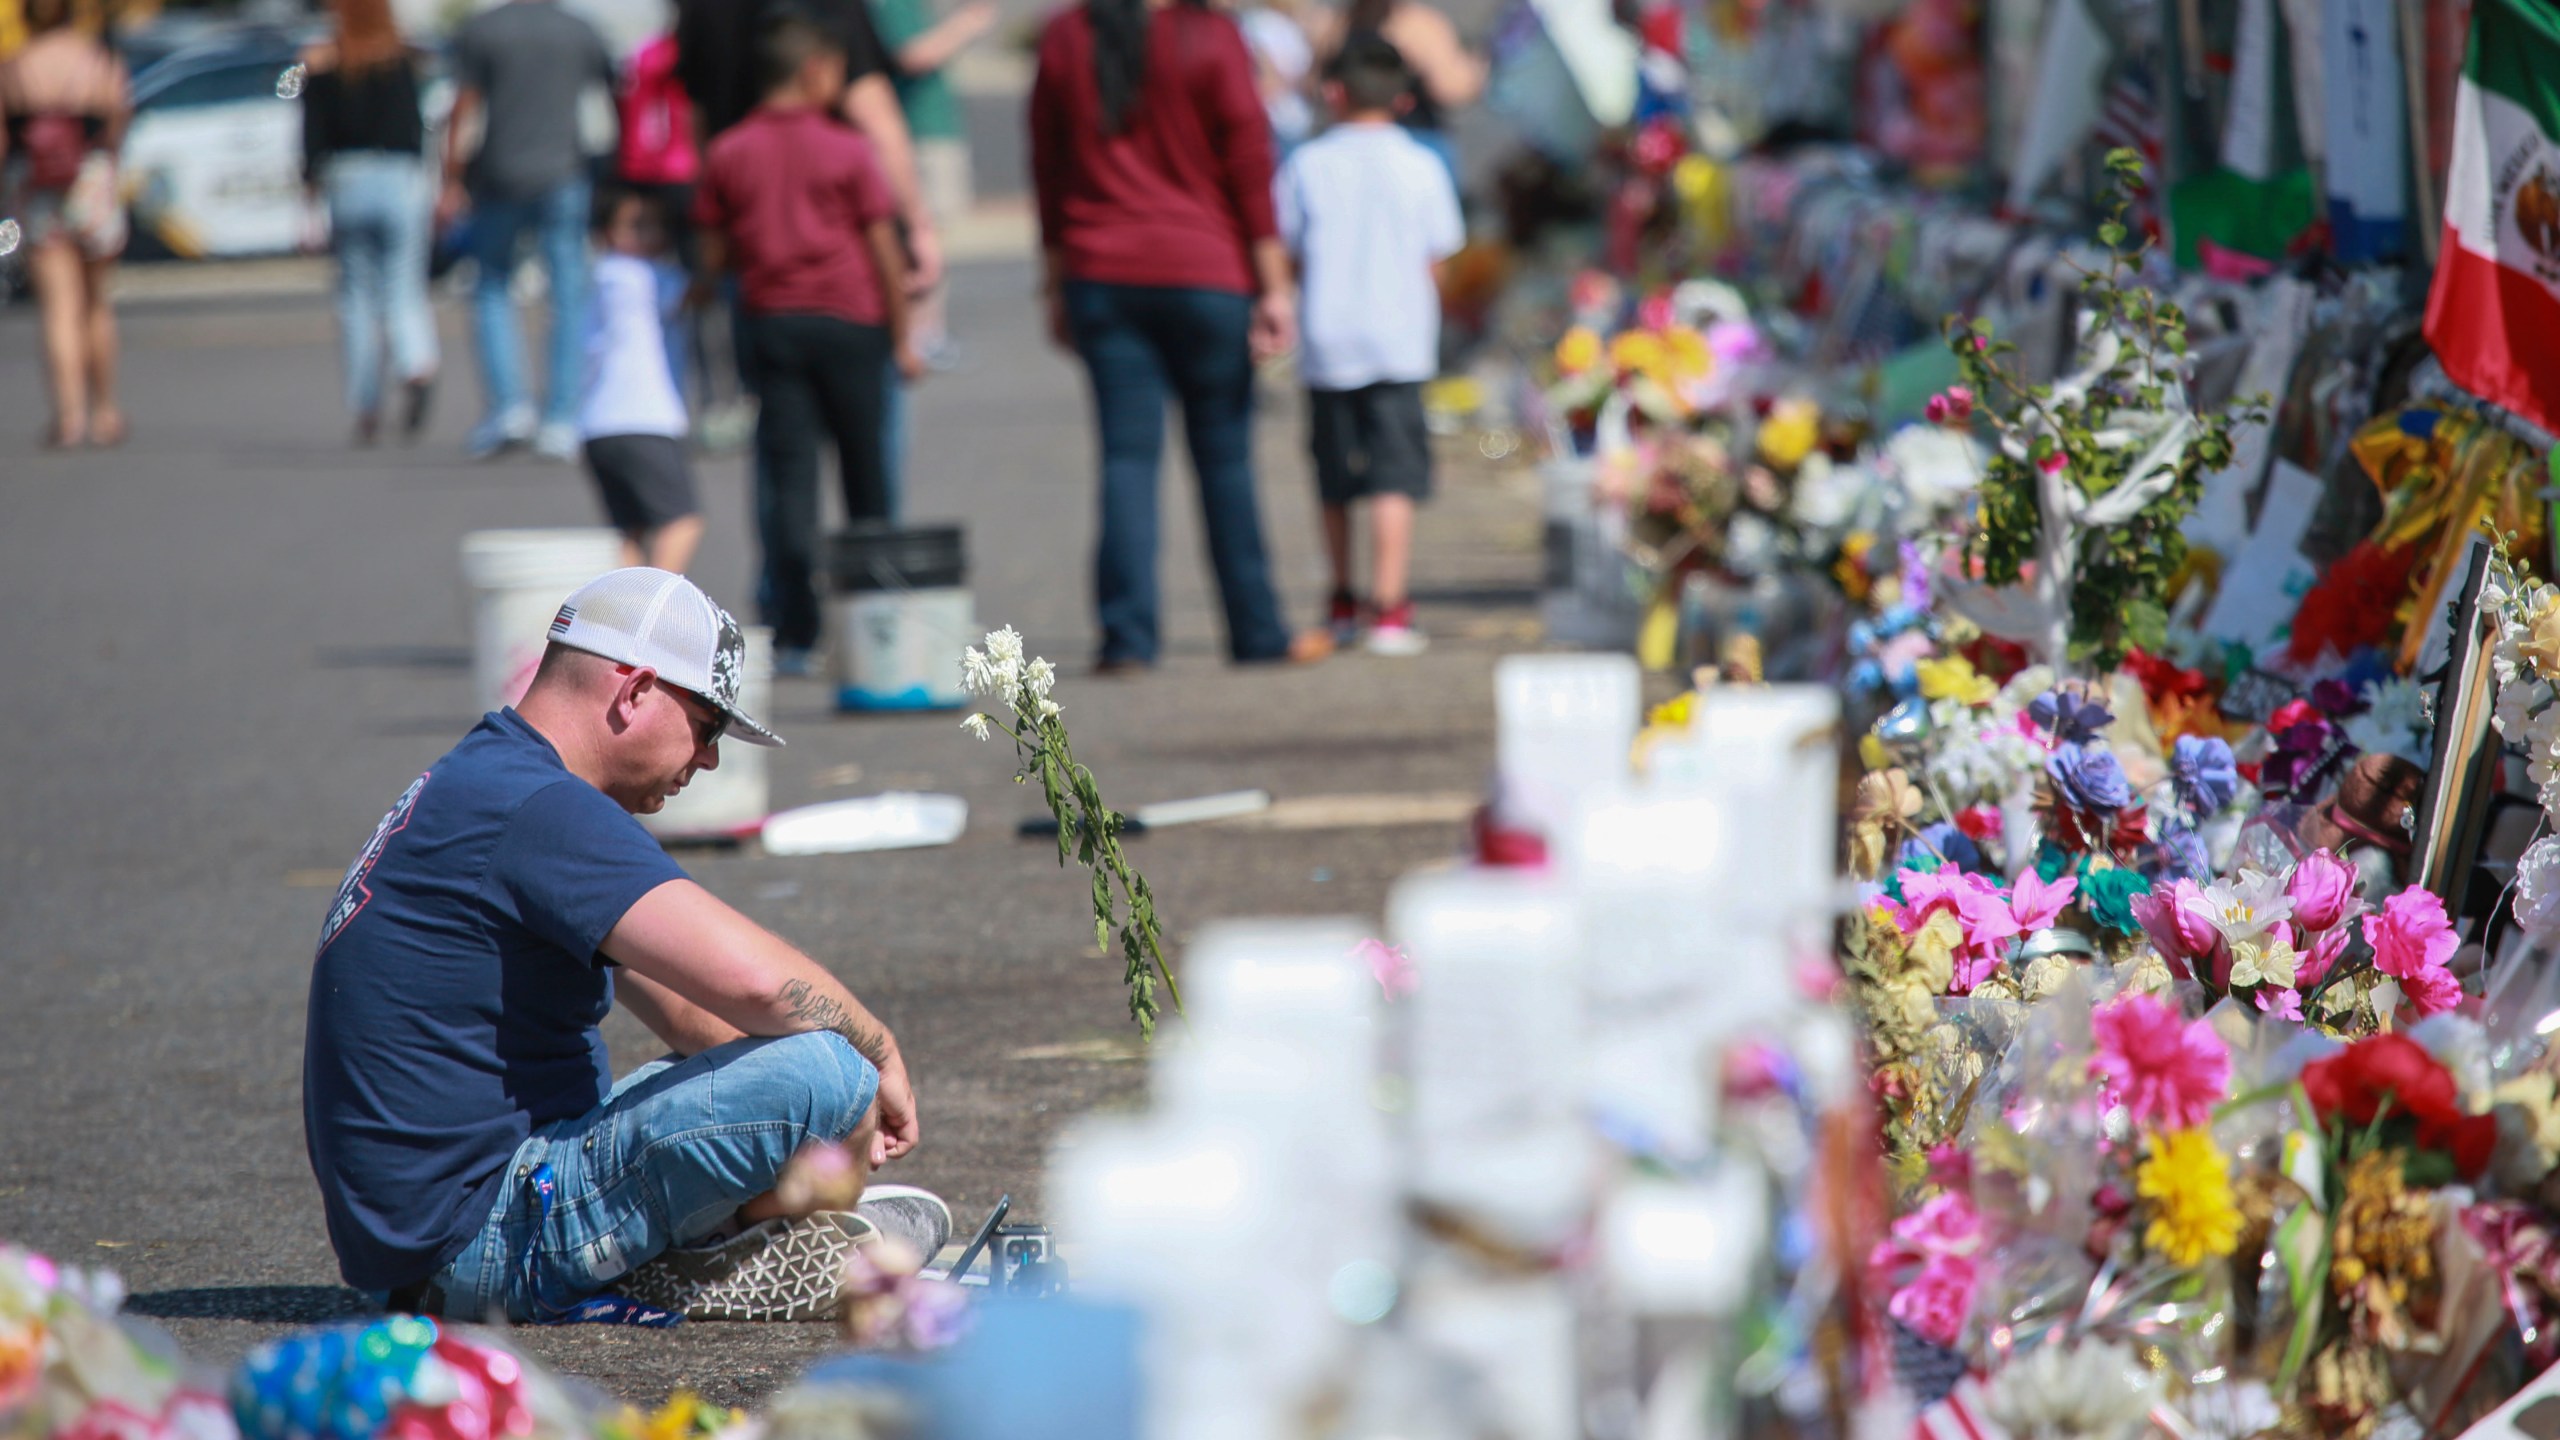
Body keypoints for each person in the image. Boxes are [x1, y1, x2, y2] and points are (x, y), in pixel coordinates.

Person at [305, 567, 949, 1323]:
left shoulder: (486, 779)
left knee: (809, 1072)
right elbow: (760, 986)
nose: (708, 758)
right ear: (635, 690)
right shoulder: (539, 807)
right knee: (833, 1069)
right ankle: (704, 1251)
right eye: (707, 725)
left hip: (423, 1245)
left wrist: (804, 1136)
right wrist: (876, 1060)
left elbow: (690, 1008)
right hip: (487, 1239)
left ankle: (723, 1226)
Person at [1029, 0, 1315, 671]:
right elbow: (1250, 163)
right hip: (1208, 274)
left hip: (1101, 273)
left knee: (1127, 459)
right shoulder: (1212, 36)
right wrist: (1274, 285)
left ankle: (1127, 638)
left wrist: (1053, 282)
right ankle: (1256, 632)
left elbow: (1048, 165)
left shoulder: (1068, 37)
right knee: (1225, 461)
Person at [693, 10, 920, 675]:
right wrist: (903, 337)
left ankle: (797, 629)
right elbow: (883, 248)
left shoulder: (731, 149)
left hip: (773, 324)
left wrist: (706, 286)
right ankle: (875, 620)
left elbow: (714, 247)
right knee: (866, 477)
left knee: (789, 479)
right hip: (852, 324)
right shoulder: (846, 147)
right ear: (815, 70)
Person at [1277, 33, 1461, 656]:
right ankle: (1390, 605)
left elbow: (1289, 249)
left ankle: (1342, 596)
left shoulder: (1306, 163)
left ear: (1333, 93)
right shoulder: (1423, 164)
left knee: (1333, 476)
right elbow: (1439, 258)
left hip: (1328, 336)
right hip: (1399, 338)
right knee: (1394, 474)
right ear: (1404, 99)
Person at [436, 0, 616, 462]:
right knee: (568, 294)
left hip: (499, 173)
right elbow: (610, 98)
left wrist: (451, 178)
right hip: (565, 171)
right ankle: (562, 415)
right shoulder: (578, 29)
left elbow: (464, 106)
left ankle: (510, 408)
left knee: (493, 285)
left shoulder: (484, 29)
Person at [301, 0, 439, 447]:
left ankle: (365, 403)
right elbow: (416, 127)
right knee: (404, 284)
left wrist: (309, 190)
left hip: (347, 179)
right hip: (398, 177)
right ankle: (415, 363)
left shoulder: (323, 61)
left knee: (357, 297)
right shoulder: (401, 58)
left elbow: (305, 122)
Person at [0, 0, 131, 449]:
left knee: (58, 307)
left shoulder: (15, 67)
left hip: (38, 190)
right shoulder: (97, 59)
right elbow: (118, 119)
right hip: (91, 179)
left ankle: (69, 416)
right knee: (97, 302)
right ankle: (106, 412)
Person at [582, 187, 703, 574]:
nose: (649, 234)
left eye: (654, 225)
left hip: (597, 425)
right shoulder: (636, 276)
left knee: (628, 532)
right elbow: (699, 291)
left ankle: (617, 620)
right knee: (682, 522)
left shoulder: (598, 278)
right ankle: (648, 613)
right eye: (635, 226)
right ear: (605, 234)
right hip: (643, 419)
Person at [870, 0, 994, 360]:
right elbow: (913, 55)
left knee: (930, 235)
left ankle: (926, 330)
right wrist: (969, 23)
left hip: (923, 130)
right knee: (923, 236)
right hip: (916, 134)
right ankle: (918, 333)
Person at [1310, 0, 1479, 179]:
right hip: (1415, 138)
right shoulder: (1418, 24)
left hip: (1344, 138)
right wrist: (1475, 73)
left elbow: (1314, 85)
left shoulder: (1340, 23)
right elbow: (1450, 89)